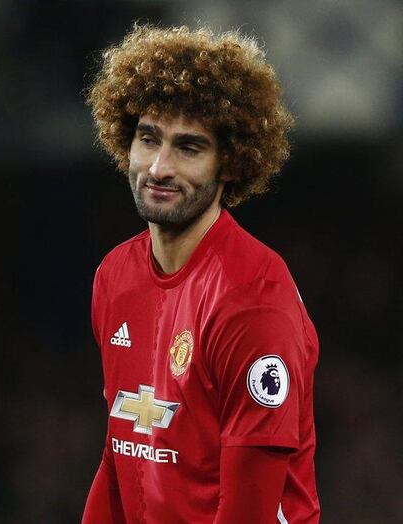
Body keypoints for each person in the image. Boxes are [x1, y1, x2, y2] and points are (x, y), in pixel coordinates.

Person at [82, 25, 319, 523]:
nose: (159, 168)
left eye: (188, 148)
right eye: (149, 139)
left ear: (229, 164)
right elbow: (120, 455)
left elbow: (248, 510)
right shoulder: (113, 277)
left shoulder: (252, 297)